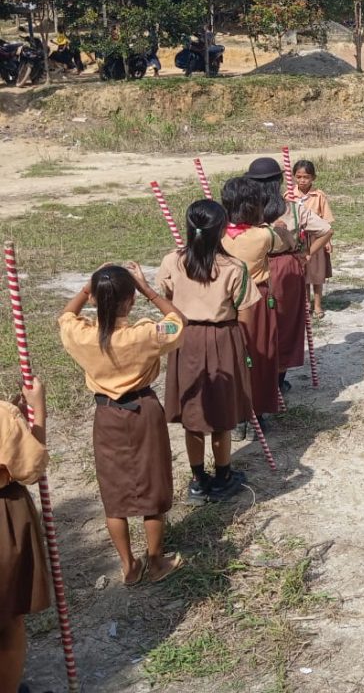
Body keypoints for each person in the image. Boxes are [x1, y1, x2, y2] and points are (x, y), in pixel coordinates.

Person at [58, 263, 186, 585]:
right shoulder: (143, 335)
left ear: (95, 301)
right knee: (152, 488)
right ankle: (155, 562)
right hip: (143, 412)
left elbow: (65, 317)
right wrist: (148, 289)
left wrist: (88, 288)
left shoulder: (84, 336)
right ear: (130, 300)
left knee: (115, 496)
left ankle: (129, 567)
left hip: (107, 416)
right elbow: (178, 322)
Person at [158, 199, 259, 504]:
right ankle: (223, 475)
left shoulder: (171, 262)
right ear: (220, 231)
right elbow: (246, 319)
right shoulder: (233, 267)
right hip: (222, 338)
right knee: (221, 414)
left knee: (193, 414)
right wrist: (243, 350)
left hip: (185, 339)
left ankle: (198, 479)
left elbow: (168, 300)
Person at [244, 157, 331, 393]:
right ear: (280, 182)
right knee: (285, 324)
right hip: (286, 270)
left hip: (252, 269)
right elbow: (325, 229)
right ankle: (278, 381)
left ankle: (259, 379)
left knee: (256, 326)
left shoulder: (244, 211)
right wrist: (306, 254)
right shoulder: (291, 208)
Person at [220, 177, 292, 440]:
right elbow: (289, 243)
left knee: (235, 358)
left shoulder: (218, 234)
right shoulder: (264, 235)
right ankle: (257, 414)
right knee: (261, 356)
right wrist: (280, 228)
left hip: (224, 302)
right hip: (257, 301)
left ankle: (238, 417)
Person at [0, 378, 50, 693]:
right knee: (8, 619)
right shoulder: (2, 417)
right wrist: (38, 410)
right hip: (3, 519)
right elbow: (33, 466)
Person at [292, 160, 335, 319]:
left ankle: (317, 305)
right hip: (298, 239)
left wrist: (327, 241)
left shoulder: (319, 196)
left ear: (313, 178)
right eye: (299, 177)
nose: (302, 180)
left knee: (317, 274)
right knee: (302, 274)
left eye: (306, 177)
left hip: (317, 238)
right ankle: (306, 304)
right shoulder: (289, 196)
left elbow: (326, 220)